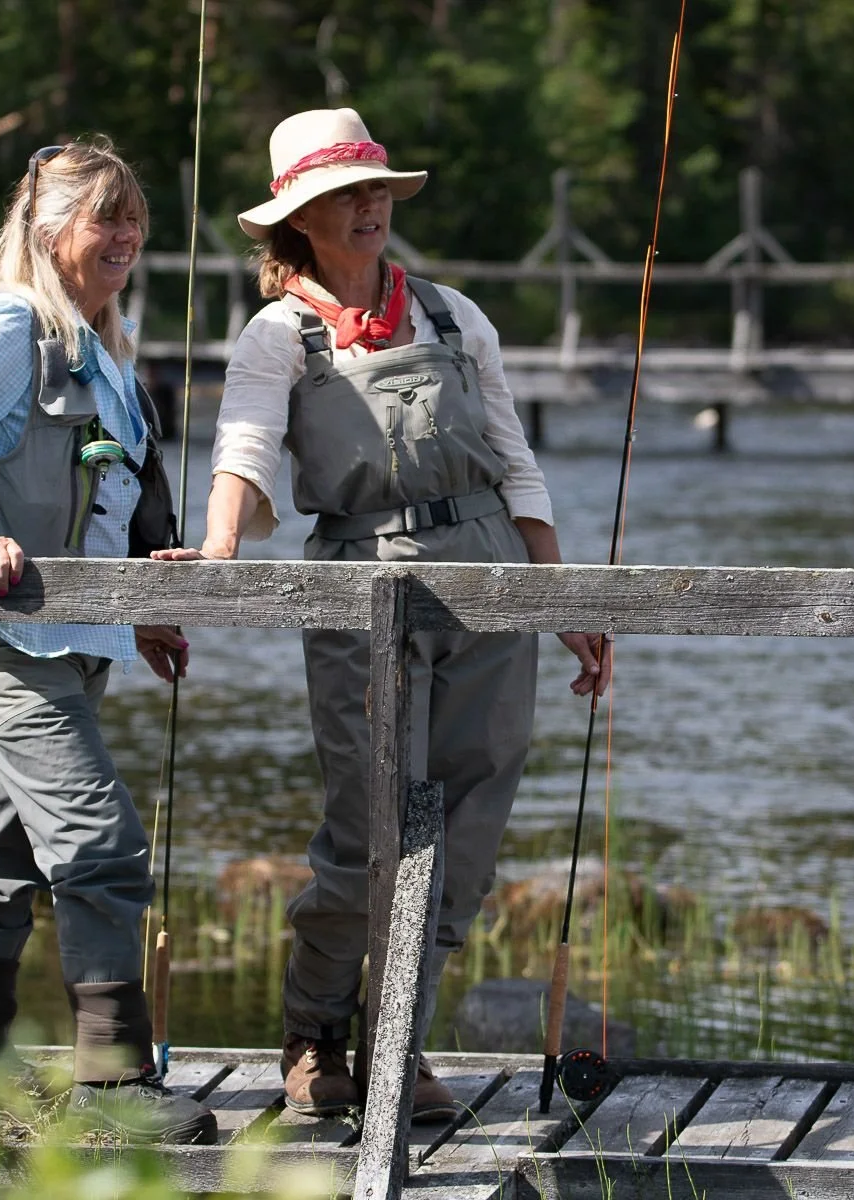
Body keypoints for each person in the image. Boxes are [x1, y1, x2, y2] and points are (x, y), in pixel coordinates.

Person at [153, 108, 608, 1119]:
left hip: (491, 574)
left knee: (468, 832)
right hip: (361, 579)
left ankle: (398, 1041)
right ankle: (315, 1034)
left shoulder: (454, 315)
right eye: (343, 195)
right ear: (297, 219)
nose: (368, 207)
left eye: (376, 191)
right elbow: (244, 448)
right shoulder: (279, 334)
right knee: (372, 829)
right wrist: (220, 551)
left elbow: (516, 464)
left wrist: (562, 596)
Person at [0, 137, 213, 1144]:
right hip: (6, 637)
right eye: (104, 217)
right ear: (47, 229)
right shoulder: (7, 325)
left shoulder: (108, 350)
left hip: (82, 638)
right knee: (100, 843)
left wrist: (145, 604)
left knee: (1, 849)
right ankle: (114, 1086)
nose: (126, 236)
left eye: (134, 218)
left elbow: (115, 497)